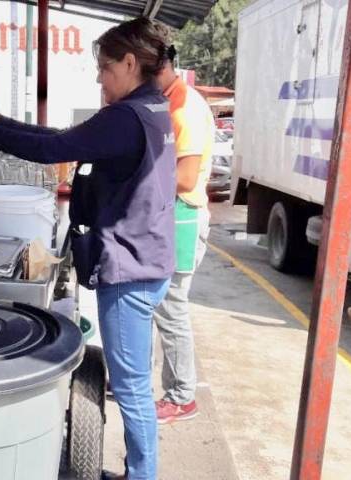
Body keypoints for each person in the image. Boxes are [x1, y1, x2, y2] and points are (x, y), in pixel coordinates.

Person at [0, 18, 176, 480]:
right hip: (148, 257)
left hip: (131, 265)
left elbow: (55, 148)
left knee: (131, 387)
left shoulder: (126, 117)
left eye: (105, 68)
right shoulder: (151, 107)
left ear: (130, 63)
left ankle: (142, 475)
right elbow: (64, 138)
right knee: (133, 382)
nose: (100, 78)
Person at [152, 44, 215, 424]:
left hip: (182, 217)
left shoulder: (185, 108)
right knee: (153, 305)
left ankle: (181, 397)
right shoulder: (167, 100)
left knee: (171, 309)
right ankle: (140, 382)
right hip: (170, 216)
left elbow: (186, 178)